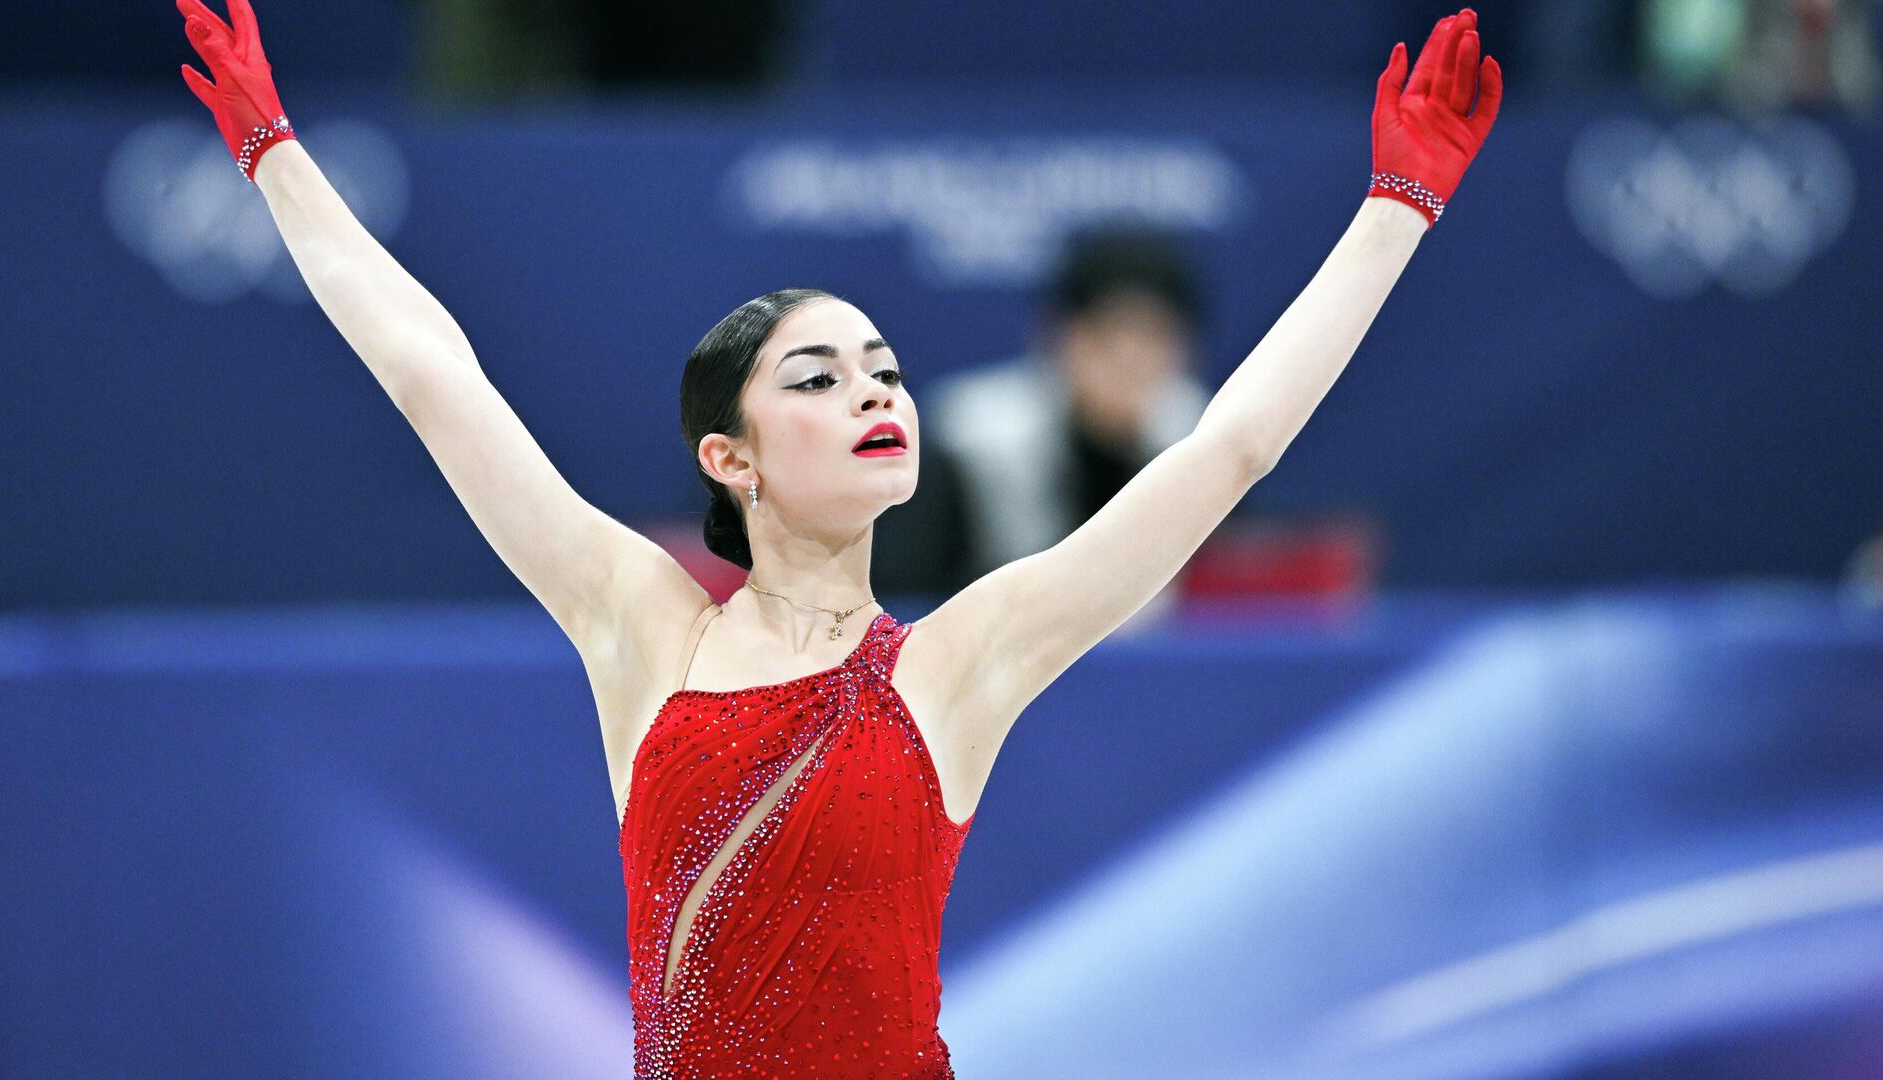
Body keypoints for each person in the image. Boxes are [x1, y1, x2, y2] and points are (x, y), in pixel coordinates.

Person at [175, 1, 1501, 1074]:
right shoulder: (643, 628)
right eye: (819, 377)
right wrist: (276, 156)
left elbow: (1229, 449)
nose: (875, 394)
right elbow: (433, 377)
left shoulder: (962, 663)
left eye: (885, 372)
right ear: (731, 457)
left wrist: (1397, 206)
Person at [874, 224, 1217, 609]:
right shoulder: (971, 441)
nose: (1128, 360)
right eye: (1106, 337)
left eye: (1152, 337)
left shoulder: (1206, 437)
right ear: (1057, 336)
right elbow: (909, 597)